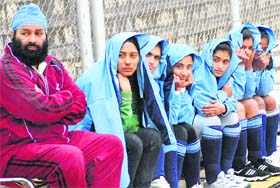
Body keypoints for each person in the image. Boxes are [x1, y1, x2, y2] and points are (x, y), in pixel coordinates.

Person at [0, 4, 124, 188]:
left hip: (58, 140)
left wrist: (50, 102)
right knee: (68, 157)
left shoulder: (54, 65)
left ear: (46, 36)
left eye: (38, 33)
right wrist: (65, 98)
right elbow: (38, 110)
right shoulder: (7, 69)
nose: (32, 39)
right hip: (17, 150)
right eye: (25, 33)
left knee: (110, 146)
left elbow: (80, 107)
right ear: (13, 36)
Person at [71, 32, 177, 188]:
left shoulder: (139, 75)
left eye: (133, 56)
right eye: (121, 56)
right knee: (133, 143)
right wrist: (126, 93)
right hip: (88, 136)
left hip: (120, 129)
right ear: (113, 55)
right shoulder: (98, 79)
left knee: (153, 138)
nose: (128, 62)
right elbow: (107, 127)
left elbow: (147, 114)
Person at [191, 39, 250, 188]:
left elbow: (234, 98)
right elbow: (204, 107)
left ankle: (225, 172)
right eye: (216, 60)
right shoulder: (199, 71)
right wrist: (223, 95)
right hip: (190, 124)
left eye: (225, 62)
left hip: (204, 121)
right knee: (212, 120)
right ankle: (212, 179)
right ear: (209, 56)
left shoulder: (225, 75)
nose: (220, 66)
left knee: (231, 116)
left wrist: (223, 107)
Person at [227, 23, 280, 181]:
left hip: (237, 100)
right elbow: (239, 93)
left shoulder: (261, 58)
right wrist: (249, 66)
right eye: (243, 47)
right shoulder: (227, 57)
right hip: (222, 105)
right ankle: (240, 164)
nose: (248, 52)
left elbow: (262, 89)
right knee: (247, 105)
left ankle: (264, 155)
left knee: (267, 101)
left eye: (252, 48)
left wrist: (259, 67)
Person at [165, 44, 203, 188]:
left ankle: (194, 184)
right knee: (180, 131)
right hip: (156, 130)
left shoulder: (183, 86)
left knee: (188, 129)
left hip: (174, 127)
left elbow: (185, 119)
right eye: (179, 66)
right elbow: (172, 120)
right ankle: (174, 184)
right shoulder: (165, 83)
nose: (185, 72)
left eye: (189, 67)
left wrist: (184, 89)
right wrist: (177, 90)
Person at [253, 25, 280, 165]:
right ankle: (261, 154)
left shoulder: (268, 59)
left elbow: (265, 89)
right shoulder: (242, 58)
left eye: (264, 48)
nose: (261, 52)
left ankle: (271, 151)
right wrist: (254, 67)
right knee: (259, 102)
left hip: (254, 93)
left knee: (271, 101)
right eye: (258, 49)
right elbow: (247, 90)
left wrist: (264, 67)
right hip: (242, 96)